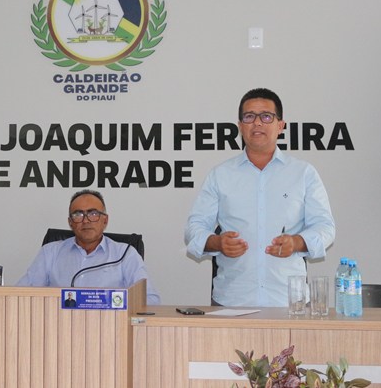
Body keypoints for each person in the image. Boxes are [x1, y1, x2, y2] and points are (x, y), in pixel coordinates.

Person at [184, 88, 335, 307]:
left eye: (266, 116)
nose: (257, 123)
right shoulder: (220, 175)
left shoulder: (303, 173)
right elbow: (194, 227)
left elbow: (325, 227)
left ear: (280, 125)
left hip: (290, 301)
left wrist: (297, 242)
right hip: (232, 300)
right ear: (240, 126)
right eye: (249, 116)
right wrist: (217, 242)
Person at [17, 189, 161, 305]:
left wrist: (106, 302)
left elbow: (150, 300)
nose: (86, 221)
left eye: (93, 213)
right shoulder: (50, 253)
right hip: (57, 326)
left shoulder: (125, 254)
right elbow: (20, 295)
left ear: (105, 220)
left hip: (110, 327)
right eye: (78, 214)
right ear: (70, 222)